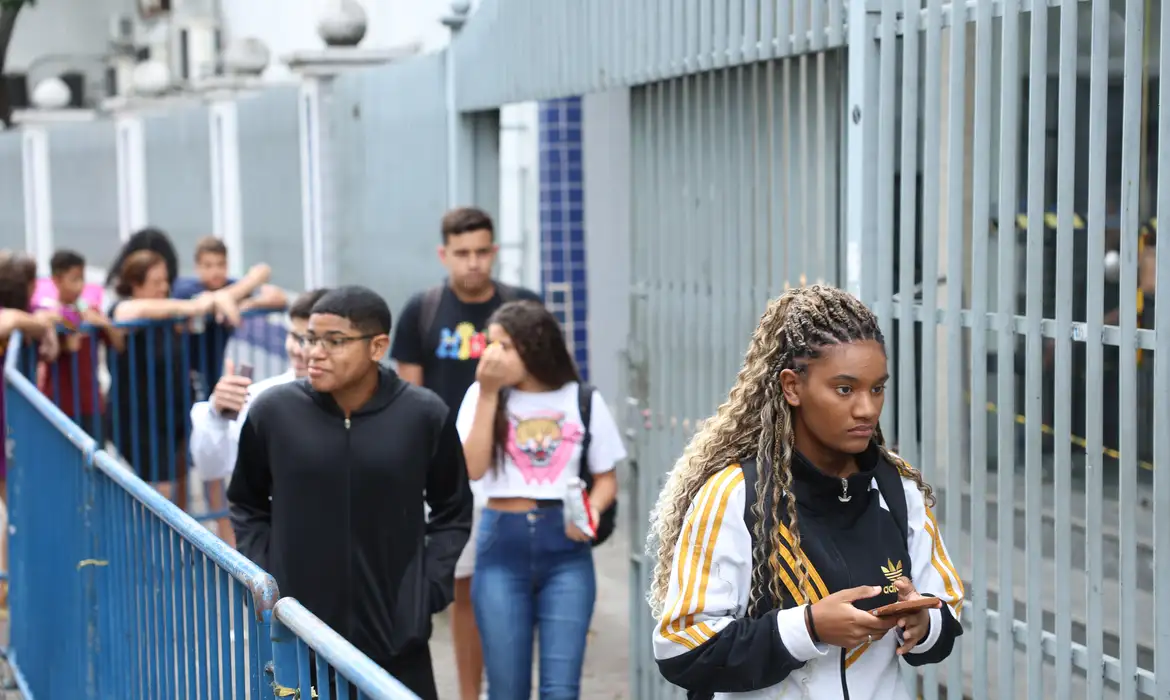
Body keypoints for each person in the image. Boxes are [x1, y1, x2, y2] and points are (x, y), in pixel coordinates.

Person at [647, 285, 964, 700]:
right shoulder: (736, 494)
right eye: (845, 389)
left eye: (877, 388)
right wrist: (809, 627)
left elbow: (945, 610)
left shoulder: (898, 489)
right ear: (792, 386)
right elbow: (682, 649)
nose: (867, 409)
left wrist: (923, 624)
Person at [228, 285, 472, 699]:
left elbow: (453, 510)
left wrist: (426, 590)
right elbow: (246, 503)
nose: (314, 352)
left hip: (398, 645)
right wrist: (270, 574)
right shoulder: (273, 412)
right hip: (299, 640)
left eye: (335, 341)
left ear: (377, 346)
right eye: (310, 339)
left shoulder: (424, 414)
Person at [390, 206, 541, 700]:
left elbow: (552, 380)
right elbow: (408, 398)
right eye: (462, 253)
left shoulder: (522, 307)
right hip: (449, 472)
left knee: (522, 590)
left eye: (481, 252)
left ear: (494, 251)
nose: (473, 262)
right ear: (444, 254)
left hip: (521, 468)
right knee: (466, 594)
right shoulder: (423, 310)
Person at [458, 300, 624, 700]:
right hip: (501, 546)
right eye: (490, 345)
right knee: (506, 688)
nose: (493, 355)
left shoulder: (582, 398)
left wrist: (591, 510)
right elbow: (472, 469)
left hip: (565, 550)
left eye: (504, 346)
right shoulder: (482, 395)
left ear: (533, 348)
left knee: (561, 689)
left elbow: (606, 480)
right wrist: (488, 393)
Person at [188, 288, 329, 546]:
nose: (298, 349)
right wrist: (216, 414)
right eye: (294, 336)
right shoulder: (260, 398)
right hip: (277, 550)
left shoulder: (359, 402)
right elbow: (211, 466)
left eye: (309, 339)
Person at [173, 236, 287, 536]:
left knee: (214, 454)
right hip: (181, 381)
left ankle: (223, 536)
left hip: (214, 382)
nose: (215, 271)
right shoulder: (186, 288)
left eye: (220, 264)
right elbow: (204, 303)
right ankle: (181, 527)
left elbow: (278, 298)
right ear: (197, 267)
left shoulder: (230, 286)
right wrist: (247, 284)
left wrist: (246, 300)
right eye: (208, 265)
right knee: (183, 454)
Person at [107, 250, 235, 508]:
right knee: (161, 493)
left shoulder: (170, 314)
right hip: (139, 418)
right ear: (136, 284)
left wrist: (214, 300)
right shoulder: (125, 309)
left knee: (180, 485)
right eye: (156, 282)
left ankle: (179, 534)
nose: (164, 287)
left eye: (165, 280)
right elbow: (129, 311)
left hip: (174, 415)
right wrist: (196, 305)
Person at [36, 250, 125, 441]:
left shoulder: (91, 313)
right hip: (58, 404)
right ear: (57, 280)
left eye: (82, 279)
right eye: (74, 279)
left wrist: (104, 324)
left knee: (95, 453)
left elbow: (119, 344)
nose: (80, 285)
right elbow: (53, 351)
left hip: (91, 403)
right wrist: (66, 332)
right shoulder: (48, 314)